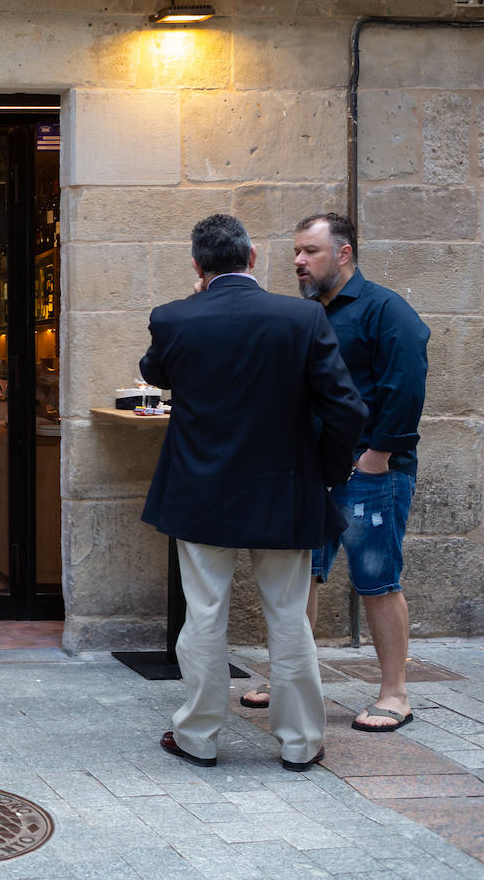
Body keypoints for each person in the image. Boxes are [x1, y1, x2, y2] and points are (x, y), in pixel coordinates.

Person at [141, 214, 365, 771]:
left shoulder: (174, 318)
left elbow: (154, 371)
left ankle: (197, 736)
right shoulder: (302, 316)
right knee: (288, 618)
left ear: (197, 265)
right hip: (284, 490)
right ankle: (300, 742)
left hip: (201, 492)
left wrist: (190, 308)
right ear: (254, 257)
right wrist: (330, 471)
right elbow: (347, 408)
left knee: (205, 614)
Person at [241, 214, 429, 732]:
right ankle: (290, 678)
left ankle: (395, 694)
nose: (299, 261)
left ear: (343, 254)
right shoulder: (303, 314)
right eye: (297, 252)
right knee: (299, 575)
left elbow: (406, 386)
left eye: (310, 251)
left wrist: (378, 457)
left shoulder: (386, 310)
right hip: (308, 470)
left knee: (377, 581)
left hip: (372, 471)